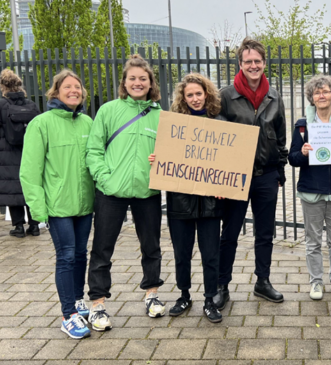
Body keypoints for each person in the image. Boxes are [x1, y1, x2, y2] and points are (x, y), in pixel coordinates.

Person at [86, 54, 164, 331]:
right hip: (111, 192)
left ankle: (152, 294)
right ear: (124, 82)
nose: (138, 82)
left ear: (151, 82)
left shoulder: (160, 116)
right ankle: (97, 303)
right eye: (132, 78)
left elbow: (170, 155)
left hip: (147, 192)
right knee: (102, 248)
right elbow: (93, 151)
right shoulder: (108, 111)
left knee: (151, 246)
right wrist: (104, 179)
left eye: (143, 78)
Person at [213, 38, 288, 309]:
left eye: (257, 61)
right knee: (229, 233)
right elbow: (216, 138)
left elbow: (281, 137)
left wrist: (280, 170)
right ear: (240, 64)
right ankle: (222, 285)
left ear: (264, 63)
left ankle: (263, 281)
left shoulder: (274, 96)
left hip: (266, 175)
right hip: (236, 176)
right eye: (248, 62)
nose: (253, 66)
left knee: (265, 232)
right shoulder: (225, 96)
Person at [20, 69, 94, 339]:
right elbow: (29, 171)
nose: (74, 91)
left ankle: (77, 300)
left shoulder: (87, 122)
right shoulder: (42, 123)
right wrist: (39, 210)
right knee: (66, 256)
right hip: (58, 206)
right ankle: (67, 315)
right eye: (68, 87)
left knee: (80, 254)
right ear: (56, 92)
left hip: (85, 205)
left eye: (78, 87)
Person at [148, 73, 224, 323]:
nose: (194, 99)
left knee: (210, 253)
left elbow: (228, 161)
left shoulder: (219, 123)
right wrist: (157, 160)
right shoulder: (173, 125)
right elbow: (165, 155)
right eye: (189, 95)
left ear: (207, 94)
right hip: (180, 199)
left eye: (198, 94)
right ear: (183, 97)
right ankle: (184, 295)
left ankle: (211, 299)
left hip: (211, 202)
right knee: (182, 252)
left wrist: (225, 182)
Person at [288, 74, 331, 300]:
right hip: (311, 191)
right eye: (317, 92)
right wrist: (304, 153)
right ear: (311, 97)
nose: (321, 95)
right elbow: (293, 158)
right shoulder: (302, 125)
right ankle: (316, 282)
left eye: (325, 91)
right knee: (313, 241)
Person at [0, 69, 41, 238]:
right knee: (29, 186)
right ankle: (34, 225)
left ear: (3, 86)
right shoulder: (31, 105)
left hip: (7, 152)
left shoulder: (2, 104)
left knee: (12, 187)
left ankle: (18, 227)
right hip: (29, 152)